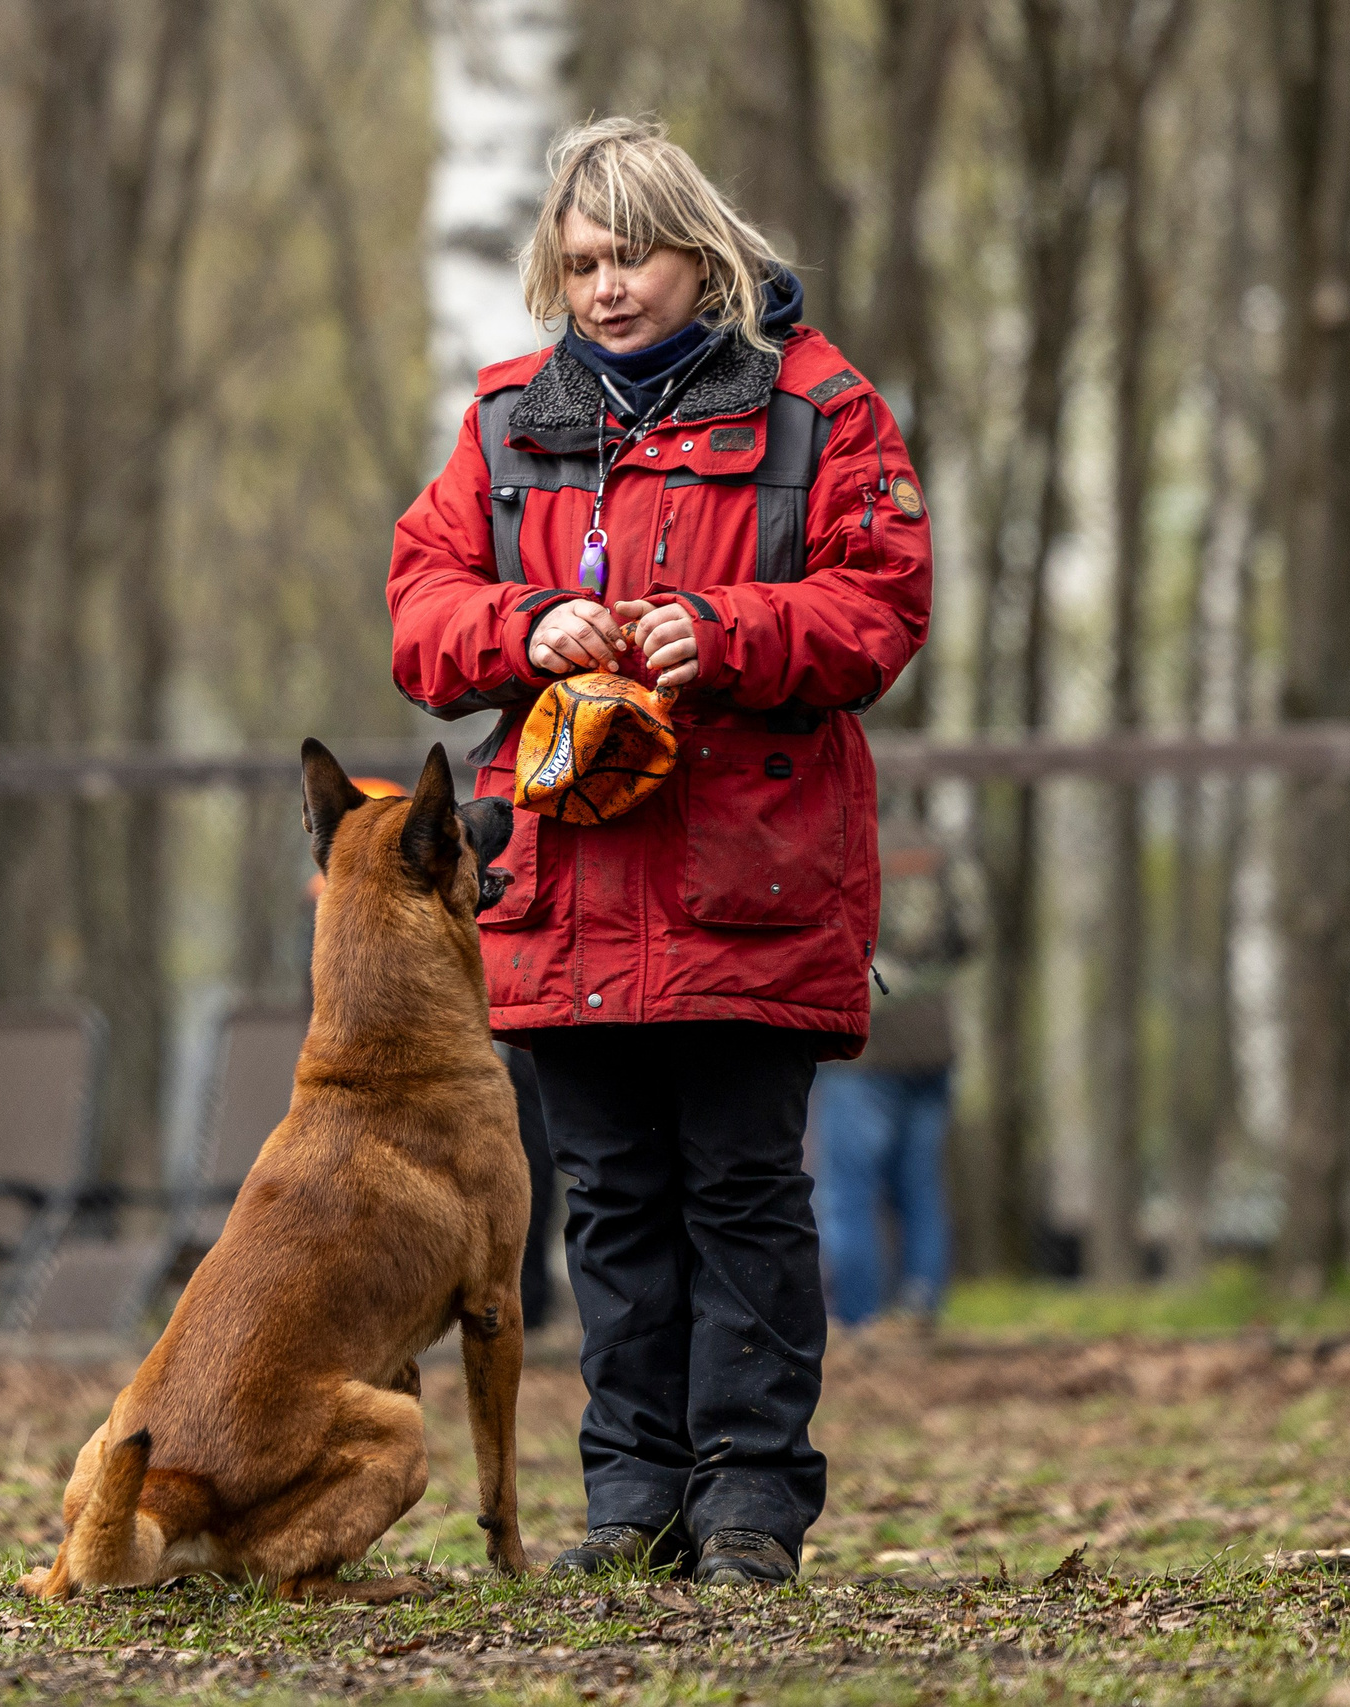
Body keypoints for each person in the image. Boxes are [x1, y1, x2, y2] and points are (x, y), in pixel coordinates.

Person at [389, 117, 930, 1585]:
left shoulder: (823, 411)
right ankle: (630, 1505)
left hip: (747, 881)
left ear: (703, 251)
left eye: (631, 256)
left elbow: (882, 608)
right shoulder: (506, 417)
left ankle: (752, 1503)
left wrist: (735, 629)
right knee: (610, 1204)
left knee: (745, 1192)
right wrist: (522, 626)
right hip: (566, 886)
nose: (606, 289)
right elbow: (420, 610)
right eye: (580, 265)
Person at [812, 848, 966, 1327]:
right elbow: (972, 934)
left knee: (849, 1194)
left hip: (860, 1048)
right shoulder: (936, 853)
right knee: (920, 1188)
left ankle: (860, 1322)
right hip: (930, 1042)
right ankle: (922, 1308)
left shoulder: (835, 843)